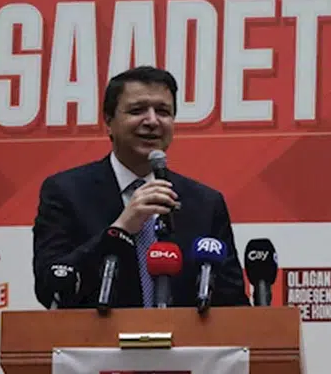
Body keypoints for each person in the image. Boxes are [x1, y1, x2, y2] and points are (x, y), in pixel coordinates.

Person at [31, 65, 250, 309]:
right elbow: (50, 287)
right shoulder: (66, 192)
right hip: (99, 333)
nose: (152, 121)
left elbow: (233, 305)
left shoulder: (205, 204)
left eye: (163, 112)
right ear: (108, 122)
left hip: (183, 335)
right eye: (137, 110)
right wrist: (120, 230)